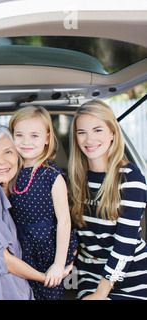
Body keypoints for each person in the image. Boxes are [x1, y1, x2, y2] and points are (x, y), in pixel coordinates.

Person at [0, 106, 77, 300]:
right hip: (23, 249)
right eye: (20, 135)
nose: (26, 142)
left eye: (34, 136)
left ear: (47, 138)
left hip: (46, 248)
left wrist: (58, 264)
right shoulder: (13, 171)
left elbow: (64, 221)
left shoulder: (50, 175)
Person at [68, 100, 147, 300]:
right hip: (89, 276)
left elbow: (125, 245)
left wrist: (101, 294)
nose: (89, 139)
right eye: (81, 132)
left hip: (131, 277)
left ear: (112, 132)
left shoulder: (130, 178)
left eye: (97, 130)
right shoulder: (74, 179)